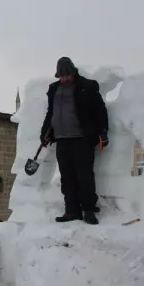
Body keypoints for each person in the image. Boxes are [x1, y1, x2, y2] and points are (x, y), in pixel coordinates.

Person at [40, 57, 109, 225]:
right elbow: (51, 113)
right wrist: (45, 133)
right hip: (62, 140)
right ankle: (72, 211)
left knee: (84, 176)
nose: (63, 79)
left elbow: (100, 111)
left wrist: (103, 133)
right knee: (67, 177)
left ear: (72, 72)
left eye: (66, 75)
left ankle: (89, 210)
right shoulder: (54, 89)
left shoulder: (87, 86)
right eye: (61, 76)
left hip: (82, 139)